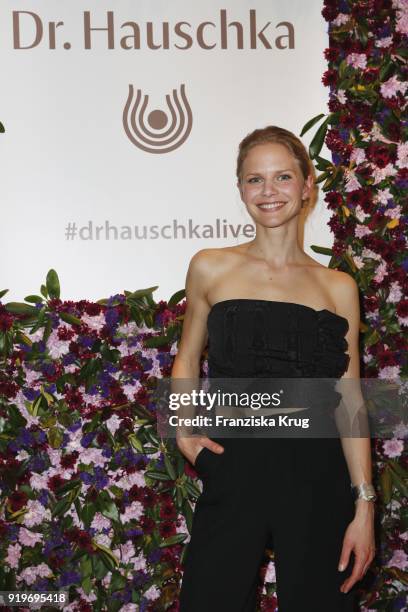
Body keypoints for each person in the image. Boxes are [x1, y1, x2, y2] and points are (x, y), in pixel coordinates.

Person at [171, 126, 376, 611]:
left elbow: (349, 397)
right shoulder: (211, 266)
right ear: (240, 188)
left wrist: (364, 505)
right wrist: (182, 428)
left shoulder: (339, 286)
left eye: (283, 177)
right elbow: (187, 354)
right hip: (235, 465)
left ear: (308, 186)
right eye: (254, 179)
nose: (269, 192)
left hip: (317, 474)